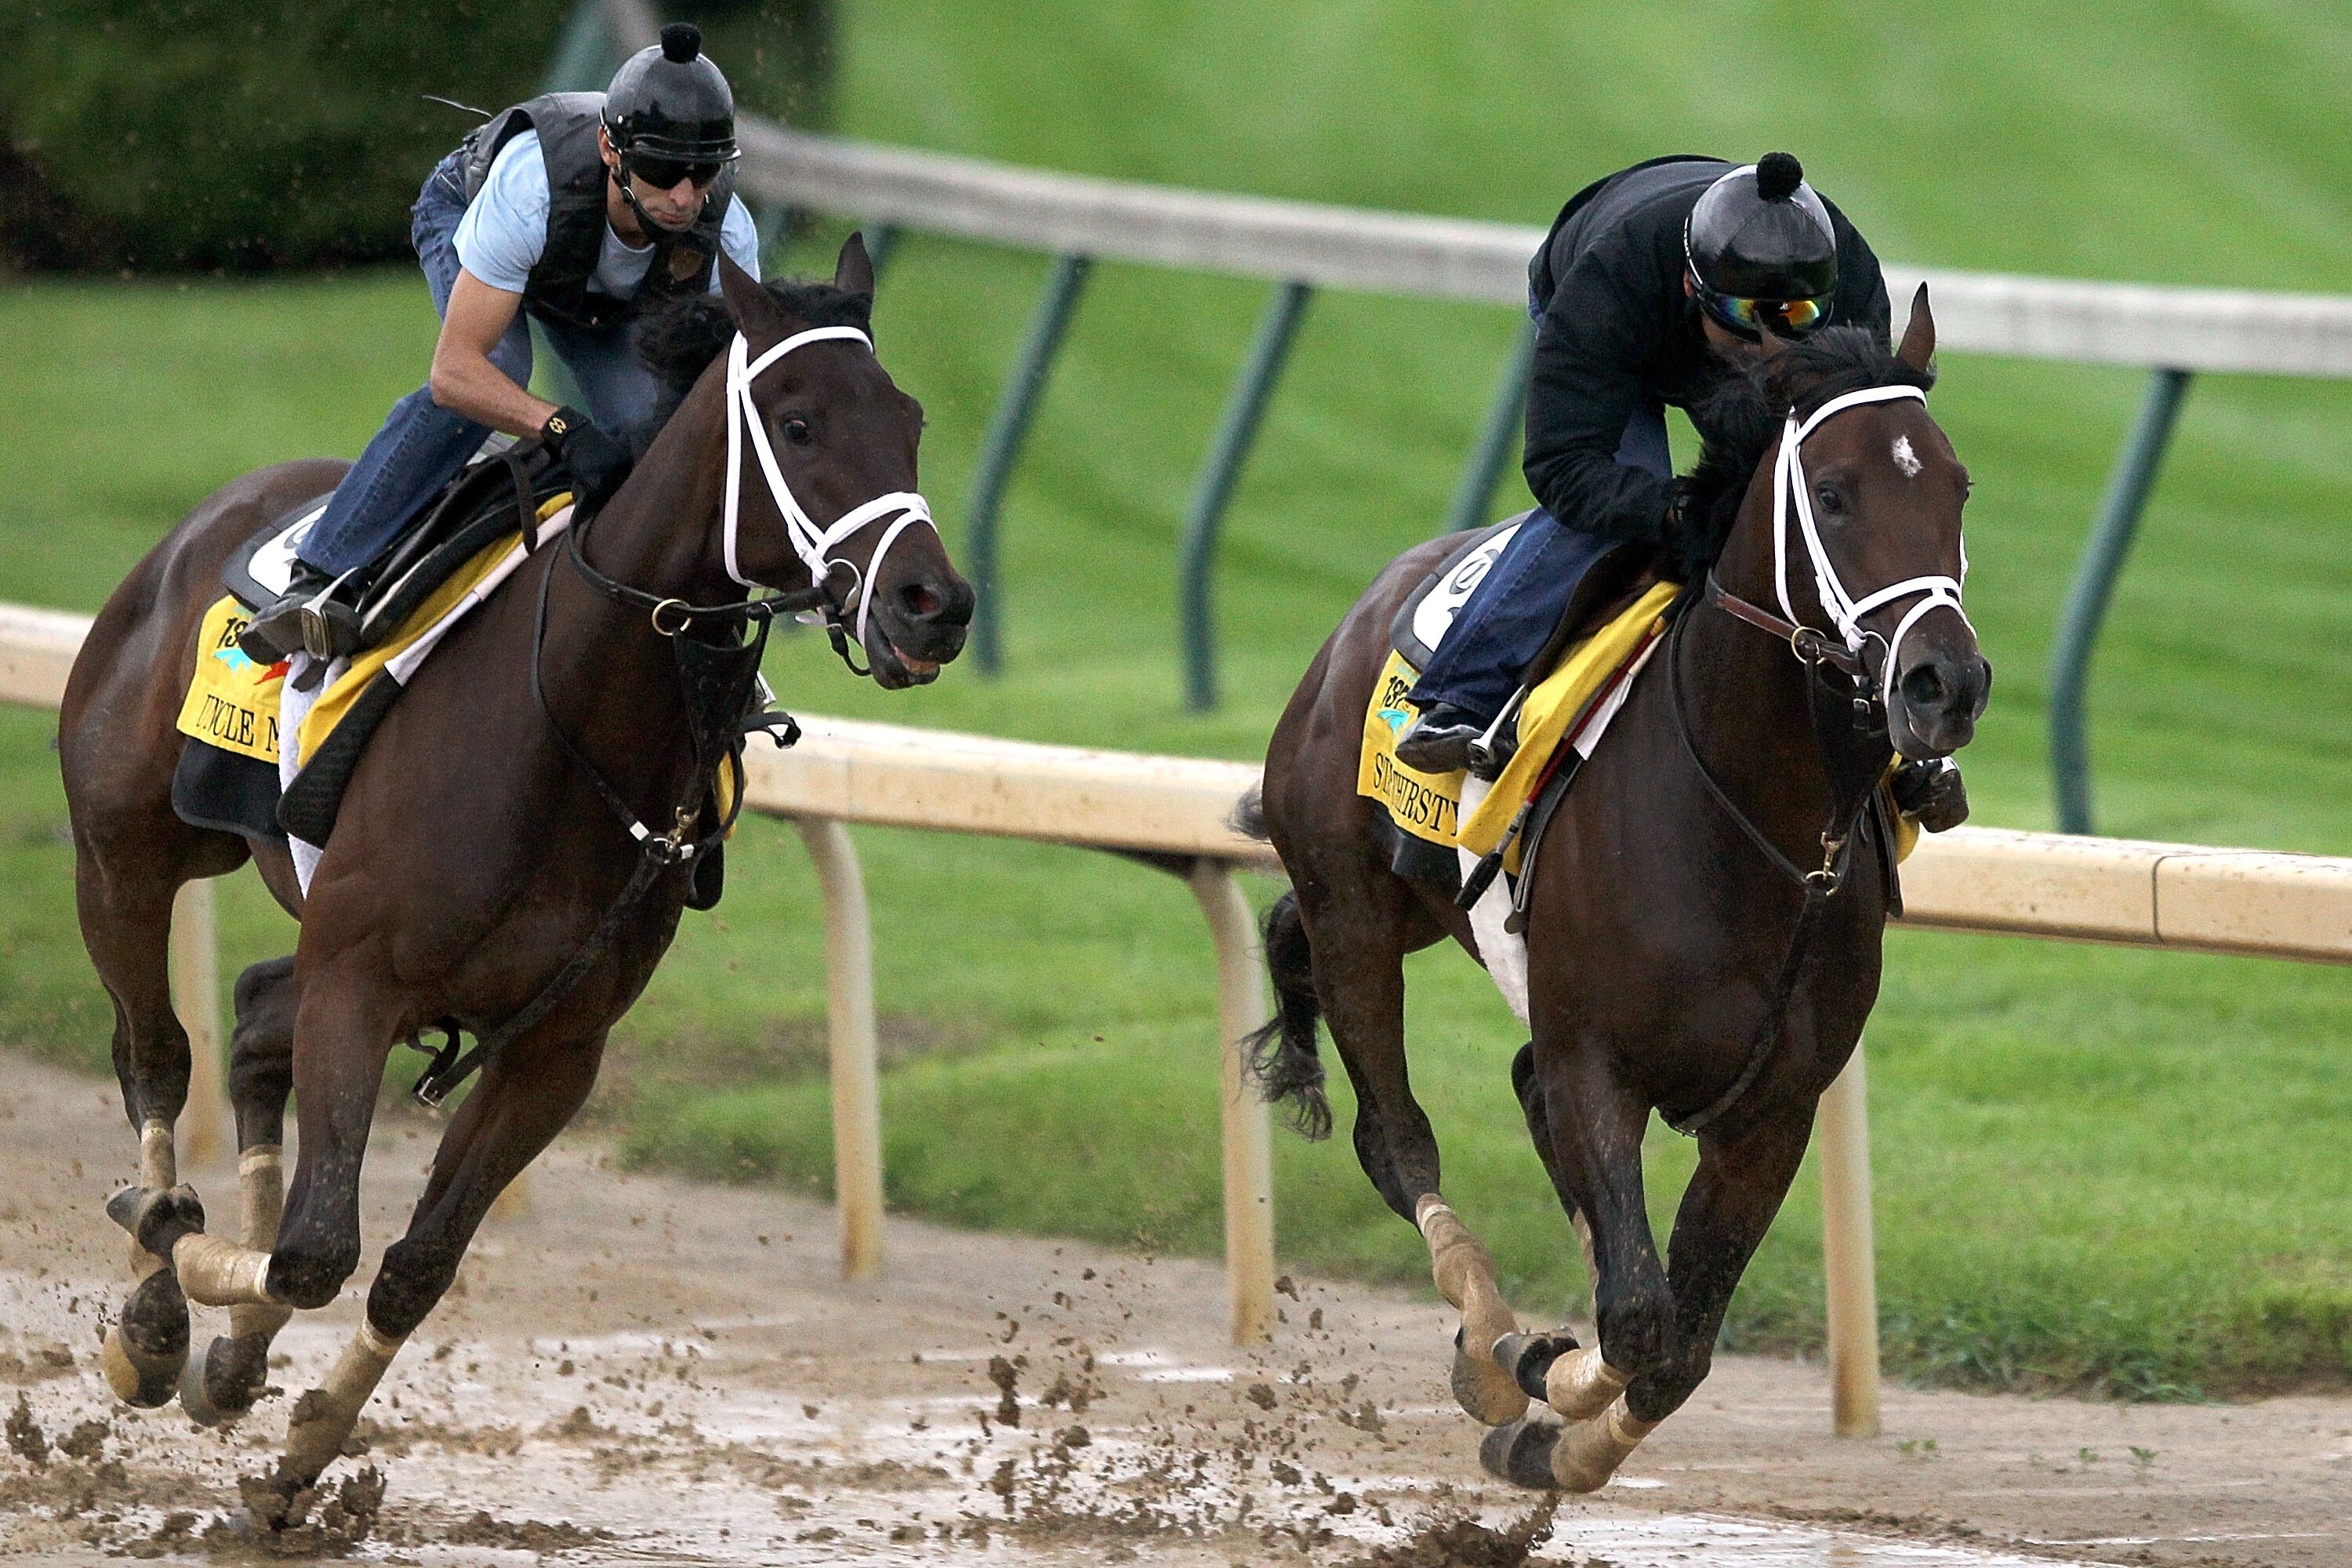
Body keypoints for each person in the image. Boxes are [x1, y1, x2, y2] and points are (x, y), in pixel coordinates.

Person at [1394, 152, 1965, 829]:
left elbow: (1865, 468)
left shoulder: (1849, 288)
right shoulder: (1613, 281)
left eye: (1793, 313)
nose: (1766, 340)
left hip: (1756, 333)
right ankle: (1464, 694)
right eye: (1746, 316)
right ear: (1694, 289)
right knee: (1609, 521)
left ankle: (1910, 747)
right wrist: (1669, 508)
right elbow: (1563, 465)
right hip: (1620, 321)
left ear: (1824, 301)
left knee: (1827, 522)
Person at [241, 22, 763, 661]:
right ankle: (319, 575)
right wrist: (562, 429)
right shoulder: (529, 187)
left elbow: (721, 408)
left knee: (649, 425)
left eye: (703, 172)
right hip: (467, 211)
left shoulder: (728, 235)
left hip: (592, 295)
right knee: (495, 372)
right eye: (660, 169)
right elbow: (454, 373)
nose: (683, 197)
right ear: (610, 148)